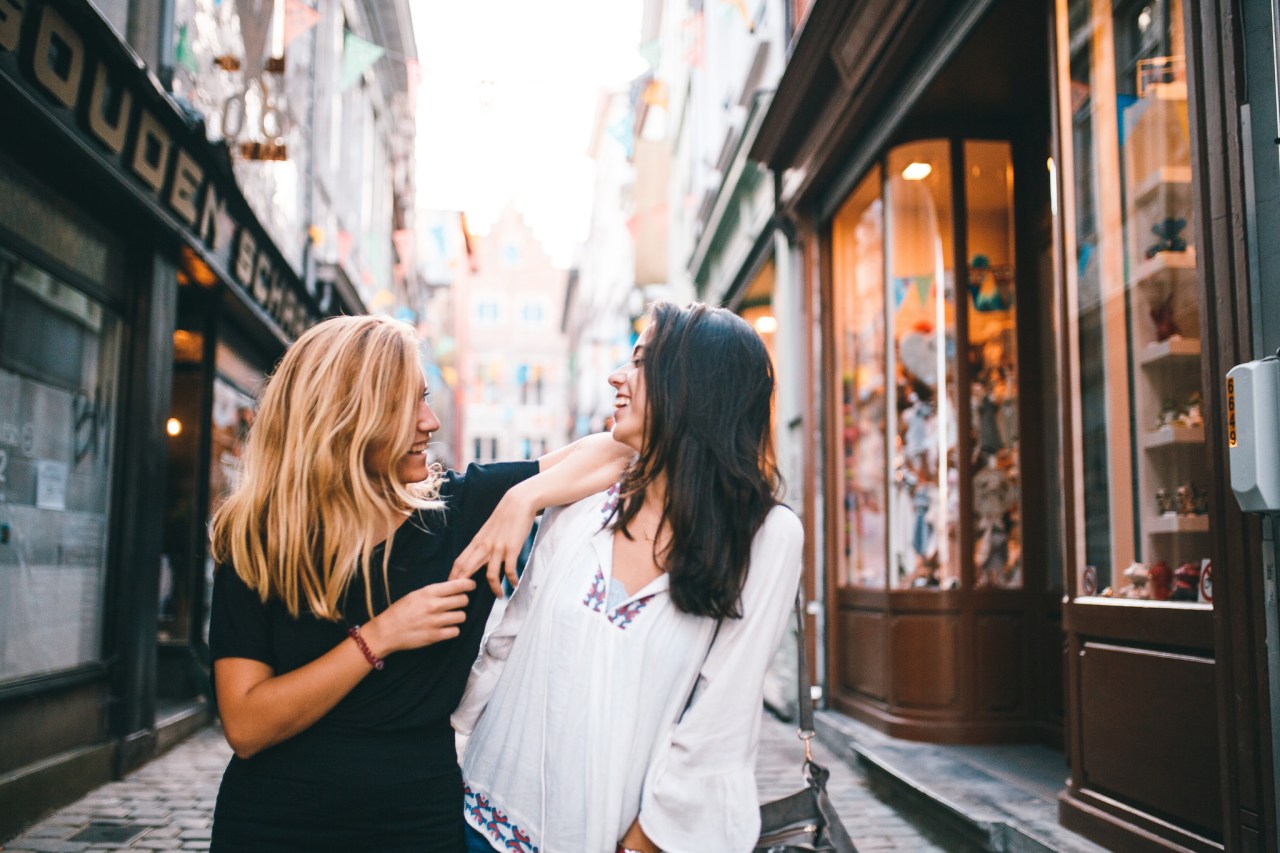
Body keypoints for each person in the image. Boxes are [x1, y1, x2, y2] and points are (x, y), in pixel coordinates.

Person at [206, 314, 630, 852]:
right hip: (274, 824)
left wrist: (523, 498)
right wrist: (378, 637)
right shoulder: (261, 537)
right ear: (345, 416)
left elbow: (619, 450)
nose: (429, 421)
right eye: (407, 405)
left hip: (414, 824)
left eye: (426, 397)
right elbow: (245, 726)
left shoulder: (458, 511)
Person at [452, 301, 804, 853]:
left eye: (639, 362)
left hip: (617, 837)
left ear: (691, 385)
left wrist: (641, 844)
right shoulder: (584, 500)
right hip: (484, 815)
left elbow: (720, 722)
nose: (616, 375)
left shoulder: (765, 536)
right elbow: (507, 641)